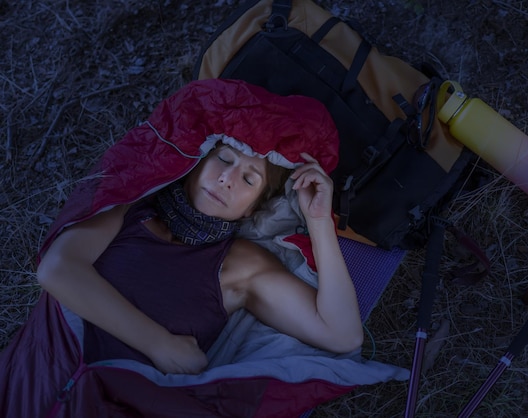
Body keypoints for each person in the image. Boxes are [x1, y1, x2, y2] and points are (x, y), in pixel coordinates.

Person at [36, 122, 363, 375]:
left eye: (249, 180)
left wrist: (319, 220)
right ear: (198, 161)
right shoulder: (131, 206)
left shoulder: (240, 266)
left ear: (251, 208)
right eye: (224, 159)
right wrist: (159, 344)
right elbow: (57, 269)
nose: (227, 179)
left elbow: (342, 334)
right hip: (39, 369)